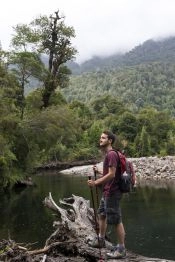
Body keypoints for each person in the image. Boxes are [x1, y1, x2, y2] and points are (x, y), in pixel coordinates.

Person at [87, 130, 126, 259]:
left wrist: (95, 182)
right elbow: (109, 173)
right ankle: (101, 240)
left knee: (116, 220)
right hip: (107, 191)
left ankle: (121, 249)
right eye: (100, 137)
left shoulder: (111, 155)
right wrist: (99, 170)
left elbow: (112, 174)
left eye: (103, 138)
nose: (101, 139)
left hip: (112, 192)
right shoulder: (110, 154)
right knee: (102, 214)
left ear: (110, 141)